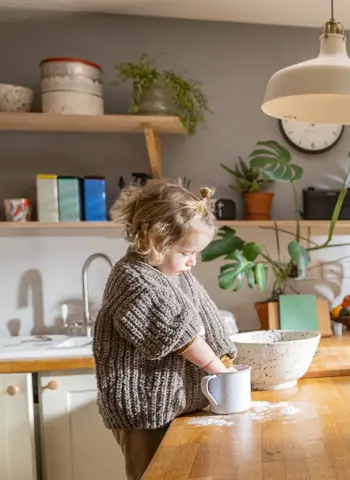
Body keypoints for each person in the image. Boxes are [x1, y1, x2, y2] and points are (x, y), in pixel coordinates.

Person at [92, 180, 237, 480]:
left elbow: (208, 319)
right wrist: (217, 370)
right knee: (155, 474)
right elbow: (180, 335)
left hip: (181, 406)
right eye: (187, 252)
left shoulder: (179, 275)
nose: (192, 261)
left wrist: (226, 358)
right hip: (145, 414)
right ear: (155, 240)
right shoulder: (132, 278)